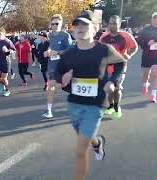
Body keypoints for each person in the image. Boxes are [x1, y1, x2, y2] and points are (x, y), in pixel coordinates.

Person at [55, 10, 126, 180]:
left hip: (95, 105)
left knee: (80, 150)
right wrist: (62, 78)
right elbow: (57, 73)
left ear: (94, 28)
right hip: (74, 103)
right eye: (77, 25)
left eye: (84, 25)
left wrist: (112, 81)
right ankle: (97, 143)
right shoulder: (69, 53)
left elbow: (121, 63)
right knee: (85, 137)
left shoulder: (104, 50)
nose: (80, 28)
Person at [99, 15, 138, 118]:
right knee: (109, 88)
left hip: (120, 66)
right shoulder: (104, 36)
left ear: (119, 24)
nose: (112, 25)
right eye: (110, 23)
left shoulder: (126, 36)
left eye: (114, 23)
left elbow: (135, 47)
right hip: (107, 67)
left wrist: (129, 55)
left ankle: (116, 107)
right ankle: (111, 106)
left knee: (117, 87)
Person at [43, 14, 73, 119]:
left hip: (64, 67)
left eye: (57, 23)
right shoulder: (50, 35)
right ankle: (49, 110)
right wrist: (47, 52)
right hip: (52, 67)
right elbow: (51, 48)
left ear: (61, 24)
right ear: (50, 25)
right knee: (50, 88)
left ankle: (82, 105)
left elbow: (70, 51)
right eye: (53, 24)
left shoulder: (65, 36)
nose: (55, 25)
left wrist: (58, 53)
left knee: (70, 88)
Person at [138, 12, 157, 102]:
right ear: (151, 19)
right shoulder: (145, 30)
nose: (156, 20)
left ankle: (153, 94)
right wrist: (146, 43)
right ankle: (145, 84)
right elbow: (139, 41)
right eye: (154, 18)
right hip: (147, 55)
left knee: (155, 72)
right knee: (145, 74)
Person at [0, 28, 16, 97]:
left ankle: (7, 90)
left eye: (0, 34)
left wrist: (8, 51)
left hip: (6, 62)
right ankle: (4, 86)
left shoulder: (7, 41)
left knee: (4, 78)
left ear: (4, 34)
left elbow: (14, 51)